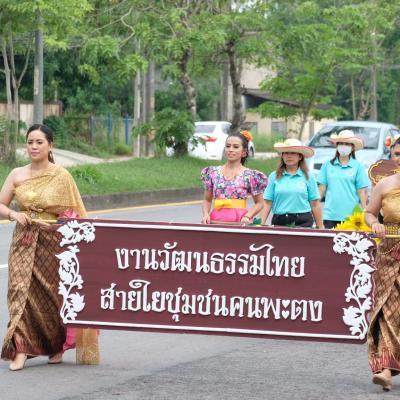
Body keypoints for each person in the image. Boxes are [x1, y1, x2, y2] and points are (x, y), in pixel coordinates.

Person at [0, 124, 99, 370]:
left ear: (50, 146)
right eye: (30, 142)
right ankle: (20, 348)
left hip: (54, 243)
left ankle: (55, 346)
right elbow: (1, 204)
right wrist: (14, 214)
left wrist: (56, 227)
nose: (33, 147)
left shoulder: (61, 176)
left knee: (52, 296)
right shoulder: (17, 174)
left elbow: (75, 213)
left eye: (39, 142)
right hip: (24, 241)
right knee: (19, 291)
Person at [364, 169, 400, 391]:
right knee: (388, 310)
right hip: (389, 254)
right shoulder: (385, 184)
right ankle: (386, 370)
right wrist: (374, 224)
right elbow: (369, 213)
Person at [201, 130, 268, 224]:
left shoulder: (250, 175)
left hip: (240, 221)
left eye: (235, 147)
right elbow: (207, 199)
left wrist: (248, 216)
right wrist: (206, 214)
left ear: (244, 152)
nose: (230, 149)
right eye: (228, 146)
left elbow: (260, 203)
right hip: (216, 220)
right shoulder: (212, 172)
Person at [261, 138, 323, 228]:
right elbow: (267, 203)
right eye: (286, 153)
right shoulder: (273, 176)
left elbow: (315, 204)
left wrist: (320, 227)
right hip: (279, 222)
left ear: (300, 157)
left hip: (303, 222)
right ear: (282, 156)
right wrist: (260, 225)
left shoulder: (309, 176)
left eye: (293, 153)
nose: (289, 156)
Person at [317, 130, 369, 229]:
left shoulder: (357, 166)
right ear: (337, 146)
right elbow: (321, 189)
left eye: (347, 144)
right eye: (341, 143)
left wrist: (365, 211)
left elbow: (362, 191)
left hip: (351, 217)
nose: (343, 146)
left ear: (352, 147)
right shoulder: (327, 165)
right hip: (330, 216)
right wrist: (314, 208)